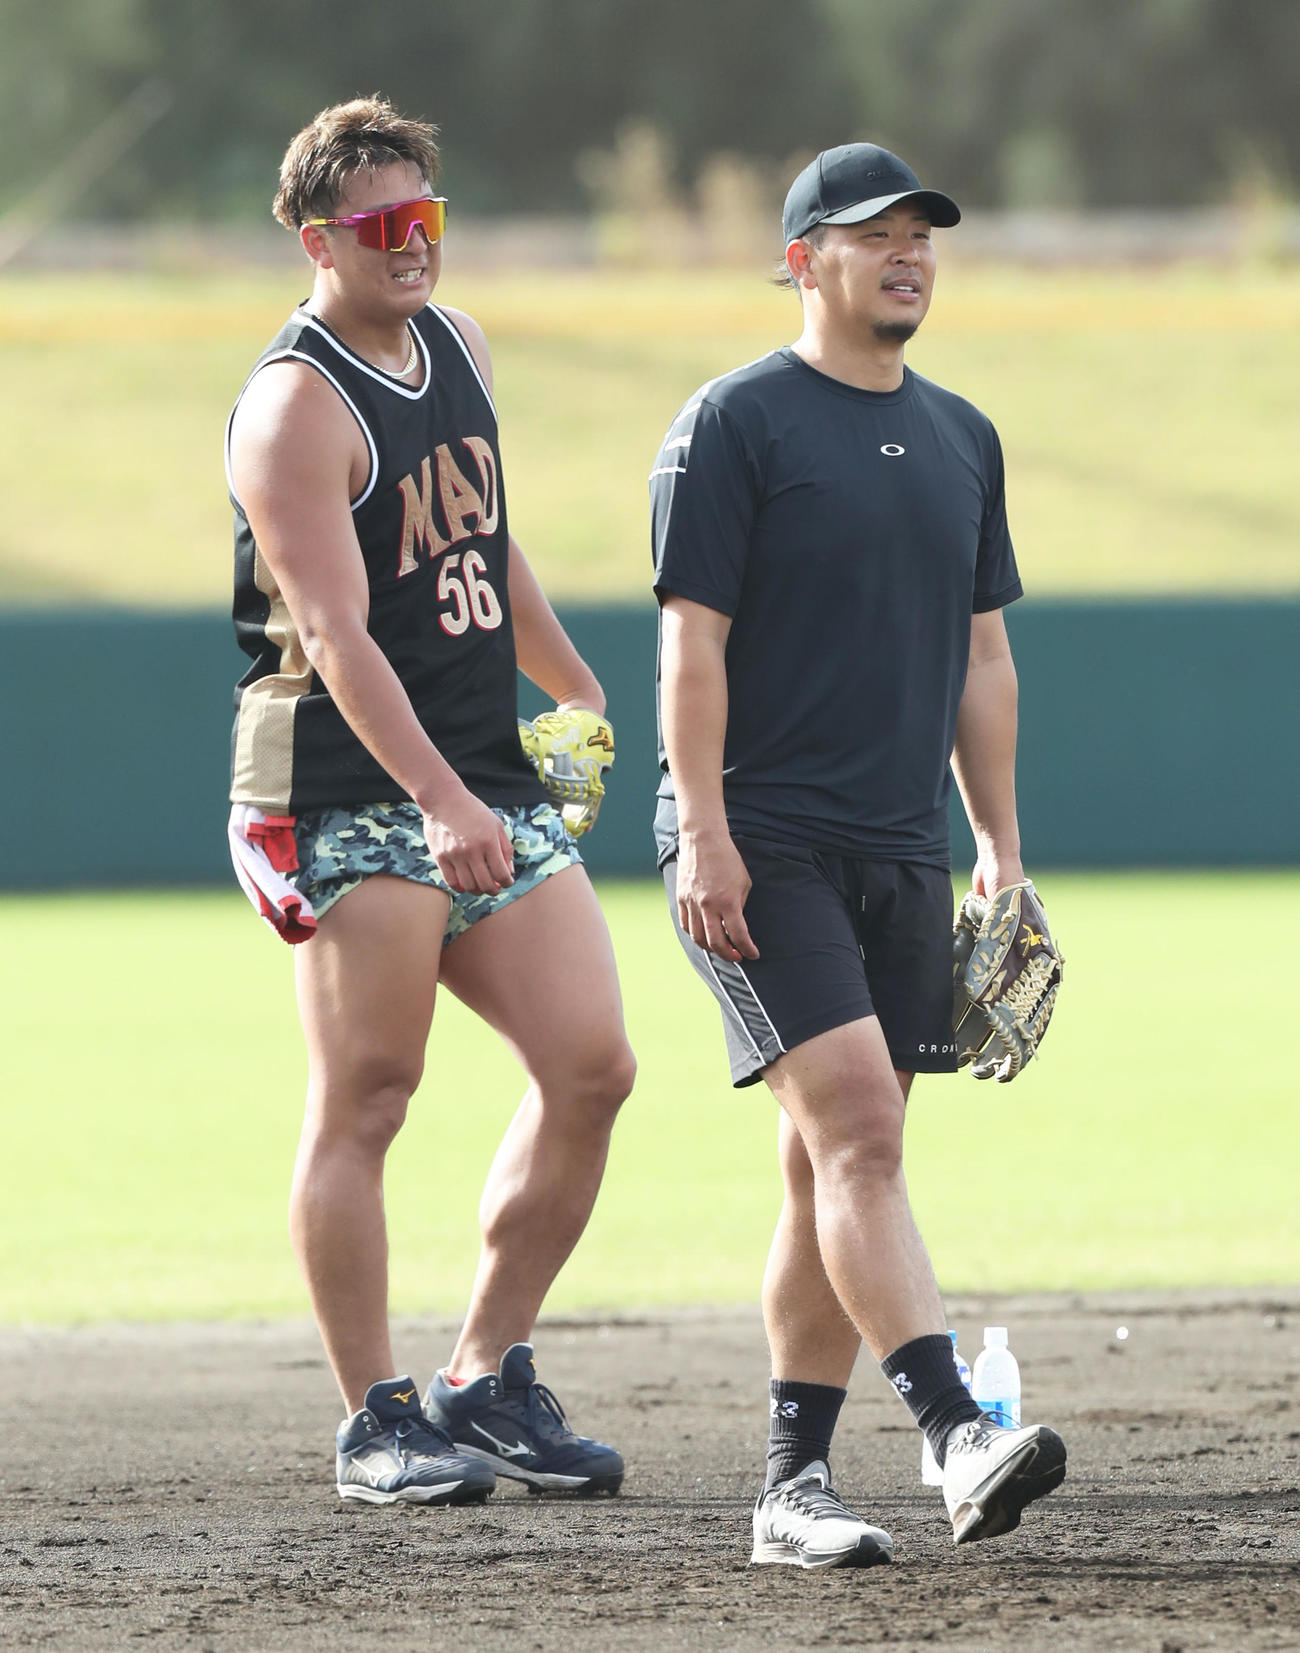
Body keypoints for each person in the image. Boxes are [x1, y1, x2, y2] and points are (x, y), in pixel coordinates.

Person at [650, 143, 1067, 1568]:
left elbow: (984, 656)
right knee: (860, 1133)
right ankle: (956, 1427)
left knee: (821, 1163)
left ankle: (791, 1485)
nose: (908, 254)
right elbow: (688, 644)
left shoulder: (964, 437)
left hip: (899, 844)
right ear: (800, 259)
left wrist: (1000, 846)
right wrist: (701, 827)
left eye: (923, 236)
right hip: (759, 835)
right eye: (873, 234)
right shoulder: (734, 423)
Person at [225, 97, 634, 1507]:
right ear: (312, 237)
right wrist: (442, 796)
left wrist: (570, 684)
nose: (413, 247)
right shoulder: (295, 404)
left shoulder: (455, 346)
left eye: (428, 220)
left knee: (593, 1065)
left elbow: (484, 538)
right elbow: (336, 635)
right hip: (346, 784)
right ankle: (372, 1418)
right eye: (382, 226)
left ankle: (485, 1373)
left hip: (477, 765)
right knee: (371, 1094)